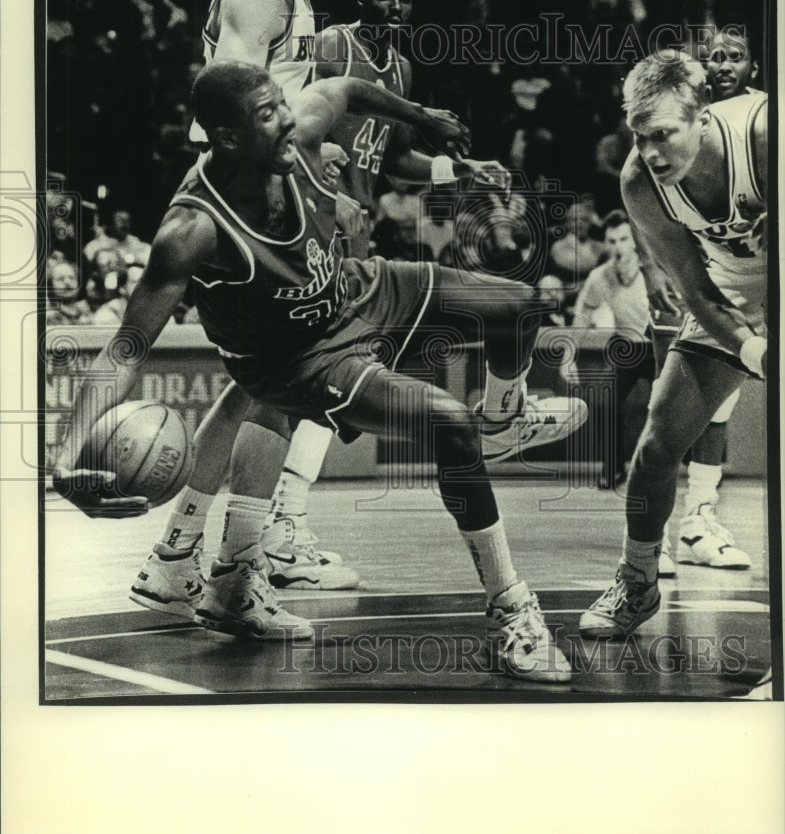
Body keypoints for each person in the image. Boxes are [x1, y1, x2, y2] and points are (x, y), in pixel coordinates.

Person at [53, 61, 588, 682]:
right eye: (265, 114)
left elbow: (346, 90)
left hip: (357, 290)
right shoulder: (193, 229)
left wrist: (423, 120)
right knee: (446, 422)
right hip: (299, 361)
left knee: (519, 308)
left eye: (281, 104)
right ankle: (512, 612)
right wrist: (66, 463)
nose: (286, 119)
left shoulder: (297, 134)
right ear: (226, 138)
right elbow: (124, 348)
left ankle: (502, 420)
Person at [130, 0, 359, 605]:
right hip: (240, 212)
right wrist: (280, 196)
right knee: (293, 373)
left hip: (264, 200)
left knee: (261, 381)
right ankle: (246, 559)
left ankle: (180, 553)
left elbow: (272, 111)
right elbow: (223, 101)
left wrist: (309, 171)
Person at [579, 50, 767, 642]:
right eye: (640, 136)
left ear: (703, 115)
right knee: (658, 444)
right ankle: (637, 580)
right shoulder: (640, 182)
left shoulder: (765, 134)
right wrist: (754, 351)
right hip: (730, 289)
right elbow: (695, 289)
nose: (652, 152)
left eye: (664, 135)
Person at [642, 29, 762, 574]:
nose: (722, 66)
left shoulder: (762, 131)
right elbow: (687, 274)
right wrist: (654, 270)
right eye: (712, 57)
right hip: (717, 282)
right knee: (673, 421)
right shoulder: (647, 169)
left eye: (734, 57)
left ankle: (700, 513)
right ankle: (649, 557)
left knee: (721, 406)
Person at [572, 209, 654, 490]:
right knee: (606, 402)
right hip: (624, 347)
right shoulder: (600, 277)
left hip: (658, 346)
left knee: (675, 406)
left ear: (635, 240)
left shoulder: (653, 270)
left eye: (623, 239)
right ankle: (613, 469)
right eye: (612, 241)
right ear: (605, 243)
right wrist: (569, 355)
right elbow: (583, 314)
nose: (618, 247)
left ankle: (694, 464)